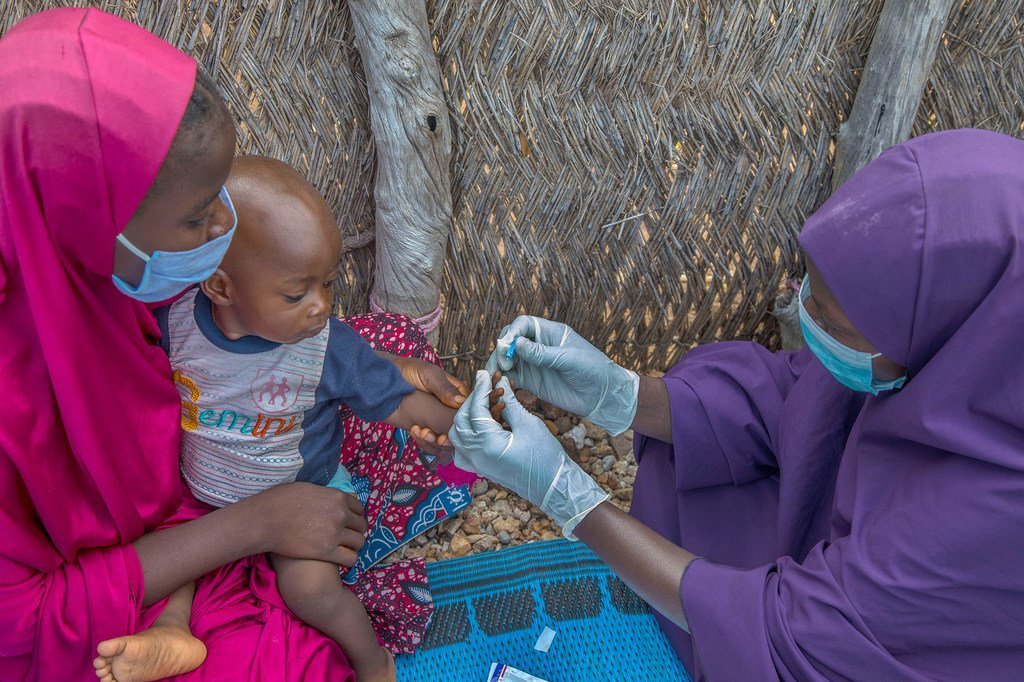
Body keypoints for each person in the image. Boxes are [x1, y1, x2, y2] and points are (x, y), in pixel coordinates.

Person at [447, 129, 1024, 679]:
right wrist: (620, 394)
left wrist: (568, 497)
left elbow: (801, 636)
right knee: (696, 448)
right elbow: (796, 404)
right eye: (810, 293)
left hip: (887, 638)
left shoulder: (989, 513)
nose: (806, 318)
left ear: (945, 324)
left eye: (832, 320)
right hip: (852, 563)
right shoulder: (976, 343)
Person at [0, 9, 467, 681]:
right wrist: (259, 524)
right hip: (154, 558)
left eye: (219, 197)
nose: (224, 223)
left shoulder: (104, 272)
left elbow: (265, 334)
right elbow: (27, 622)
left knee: (372, 343)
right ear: (82, 215)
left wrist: (389, 371)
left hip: (195, 510)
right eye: (198, 217)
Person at [92, 155, 460, 682]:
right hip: (203, 493)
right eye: (297, 293)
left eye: (328, 284)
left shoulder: (324, 346)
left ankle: (372, 659)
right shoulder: (173, 327)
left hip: (304, 497)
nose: (320, 306)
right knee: (170, 561)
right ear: (220, 288)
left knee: (311, 591)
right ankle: (175, 632)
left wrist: (461, 424)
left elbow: (396, 396)